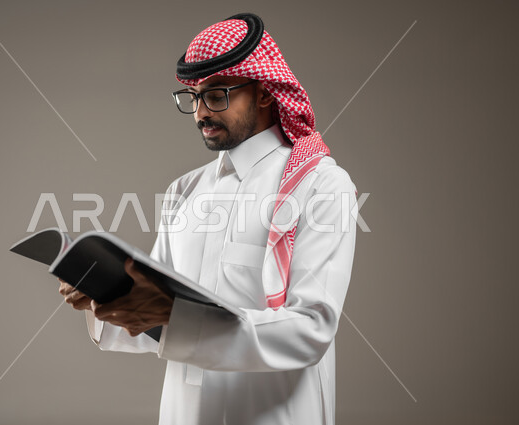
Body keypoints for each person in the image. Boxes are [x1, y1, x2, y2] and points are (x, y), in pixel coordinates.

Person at [59, 13, 357, 425]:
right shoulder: (185, 191)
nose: (200, 112)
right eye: (194, 97)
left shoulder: (320, 185)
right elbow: (161, 314)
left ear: (266, 92)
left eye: (216, 95)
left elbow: (310, 330)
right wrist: (104, 299)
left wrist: (171, 316)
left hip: (276, 414)